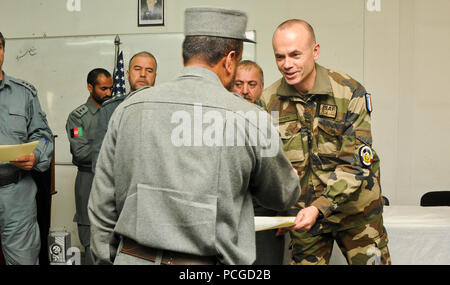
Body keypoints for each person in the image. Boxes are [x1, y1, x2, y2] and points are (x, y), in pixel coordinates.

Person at [88, 7, 301, 265]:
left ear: (183, 55)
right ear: (231, 60)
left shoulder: (128, 109)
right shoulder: (251, 118)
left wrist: (110, 259)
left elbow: (101, 203)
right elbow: (282, 195)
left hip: (132, 258)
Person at [261, 19, 391, 265]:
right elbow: (269, 163)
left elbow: (356, 164)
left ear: (315, 51)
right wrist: (281, 206)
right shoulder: (268, 102)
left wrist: (319, 207)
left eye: (295, 55)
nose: (287, 64)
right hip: (305, 216)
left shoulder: (349, 92)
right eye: (280, 57)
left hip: (357, 213)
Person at [0, 32, 54, 265]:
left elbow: (44, 136)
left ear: (3, 51)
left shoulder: (24, 93)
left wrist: (35, 155)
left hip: (17, 195)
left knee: (23, 260)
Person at [232, 60, 284, 265]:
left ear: (261, 87)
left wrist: (285, 208)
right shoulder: (215, 119)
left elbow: (287, 167)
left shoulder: (275, 120)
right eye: (238, 83)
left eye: (252, 84)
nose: (245, 90)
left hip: (265, 211)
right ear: (229, 85)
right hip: (229, 212)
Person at [65, 68, 112, 265]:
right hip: (88, 179)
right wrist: (111, 147)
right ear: (90, 87)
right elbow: (80, 152)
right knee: (90, 237)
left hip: (112, 178)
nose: (108, 93)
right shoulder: (78, 118)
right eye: (103, 89)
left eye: (110, 88)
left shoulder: (115, 111)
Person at [91, 51, 157, 173]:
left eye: (149, 70)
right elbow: (99, 159)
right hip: (120, 187)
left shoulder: (163, 109)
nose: (143, 74)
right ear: (127, 74)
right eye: (137, 69)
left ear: (155, 75)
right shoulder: (110, 109)